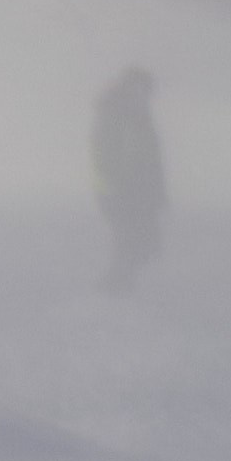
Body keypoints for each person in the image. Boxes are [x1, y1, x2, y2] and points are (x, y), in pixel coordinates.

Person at [92, 65, 167, 293]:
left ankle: (120, 283)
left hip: (140, 191)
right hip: (121, 192)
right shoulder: (112, 114)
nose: (144, 95)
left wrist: (158, 191)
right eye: (140, 89)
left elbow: (152, 157)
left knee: (146, 242)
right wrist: (115, 188)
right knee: (130, 240)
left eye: (146, 90)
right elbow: (104, 154)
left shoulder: (140, 117)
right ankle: (115, 286)